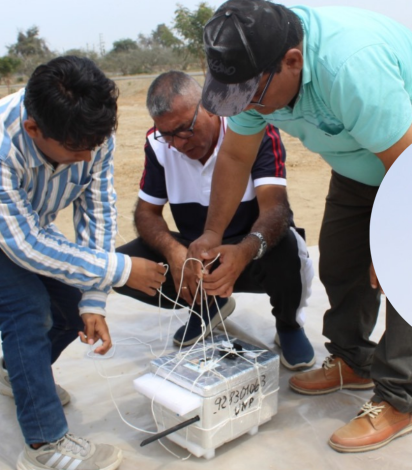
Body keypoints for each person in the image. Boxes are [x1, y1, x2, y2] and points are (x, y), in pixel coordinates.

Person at [189, 0, 412, 453]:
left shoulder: (349, 65)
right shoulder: (251, 73)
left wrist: (398, 245)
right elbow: (235, 155)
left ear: (293, 62)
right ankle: (353, 359)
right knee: (341, 258)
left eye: (251, 96)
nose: (243, 106)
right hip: (362, 154)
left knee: (411, 274)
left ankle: (399, 398)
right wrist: (212, 233)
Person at [0, 56, 166, 470]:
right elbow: (25, 246)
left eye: (93, 147)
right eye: (76, 151)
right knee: (26, 308)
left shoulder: (89, 131)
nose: (86, 158)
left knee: (68, 311)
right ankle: (45, 444)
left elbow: (97, 212)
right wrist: (121, 270)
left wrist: (94, 299)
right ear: (33, 129)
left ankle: (15, 374)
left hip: (19, 224)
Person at [114, 71, 315, 370]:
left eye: (185, 129)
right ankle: (206, 307)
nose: (178, 143)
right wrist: (174, 251)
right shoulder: (158, 145)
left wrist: (245, 251)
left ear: (210, 107)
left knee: (287, 246)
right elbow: (146, 213)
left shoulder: (250, 130)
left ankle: (288, 325)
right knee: (123, 265)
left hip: (251, 254)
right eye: (166, 134)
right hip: (200, 259)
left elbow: (275, 209)